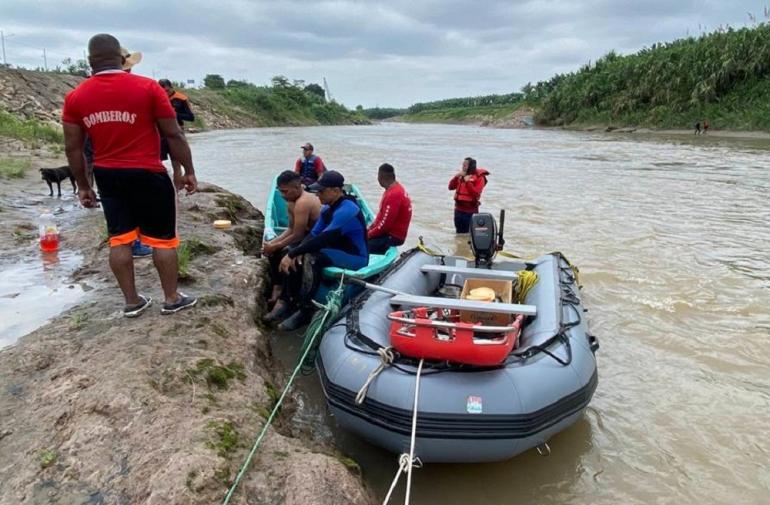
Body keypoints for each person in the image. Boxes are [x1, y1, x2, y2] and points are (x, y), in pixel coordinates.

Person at [62, 33, 198, 317]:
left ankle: (132, 302)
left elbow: (73, 149)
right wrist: (188, 171)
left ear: (90, 62)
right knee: (163, 240)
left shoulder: (76, 96)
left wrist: (84, 186)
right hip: (148, 172)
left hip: (108, 175)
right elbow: (173, 134)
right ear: (121, 59)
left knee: (120, 239)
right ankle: (171, 298)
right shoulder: (148, 88)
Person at [277, 170, 368, 330]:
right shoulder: (327, 208)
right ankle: (289, 300)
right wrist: (294, 252)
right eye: (317, 190)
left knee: (311, 256)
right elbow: (313, 235)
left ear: (336, 191)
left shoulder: (347, 210)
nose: (318, 194)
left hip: (355, 257)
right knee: (292, 250)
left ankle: (306, 310)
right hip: (336, 251)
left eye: (321, 191)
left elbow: (323, 239)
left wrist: (295, 253)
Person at [84, 46, 152, 258]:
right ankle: (135, 243)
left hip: (103, 163)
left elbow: (77, 143)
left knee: (118, 213)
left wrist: (84, 184)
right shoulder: (139, 88)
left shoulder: (87, 90)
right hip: (131, 161)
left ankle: (127, 242)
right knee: (137, 205)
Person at [262, 170, 321, 322]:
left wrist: (277, 246)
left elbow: (299, 235)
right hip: (302, 236)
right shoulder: (290, 201)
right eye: (280, 191)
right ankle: (277, 287)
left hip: (314, 237)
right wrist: (272, 244)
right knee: (274, 251)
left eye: (285, 191)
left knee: (290, 257)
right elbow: (290, 229)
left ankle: (287, 301)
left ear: (296, 188)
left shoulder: (303, 202)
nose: (282, 195)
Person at [158, 78, 195, 191]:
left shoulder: (181, 98)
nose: (165, 93)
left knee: (176, 164)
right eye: (162, 90)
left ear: (171, 88)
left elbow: (191, 117)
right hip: (159, 134)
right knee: (157, 162)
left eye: (167, 90)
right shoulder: (156, 98)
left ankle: (177, 191)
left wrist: (175, 114)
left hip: (177, 133)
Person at [367, 163, 412, 254]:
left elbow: (384, 225)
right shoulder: (395, 189)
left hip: (394, 236)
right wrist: (369, 229)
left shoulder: (393, 195)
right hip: (389, 233)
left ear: (382, 177)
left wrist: (368, 235)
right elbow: (381, 218)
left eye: (378, 176)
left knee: (362, 246)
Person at [448, 157, 489, 233]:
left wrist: (468, 182)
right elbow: (450, 187)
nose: (463, 167)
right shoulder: (461, 176)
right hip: (458, 211)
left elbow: (476, 194)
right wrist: (456, 176)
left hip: (470, 212)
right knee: (459, 235)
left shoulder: (480, 178)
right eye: (463, 165)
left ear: (471, 166)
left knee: (470, 235)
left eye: (465, 165)